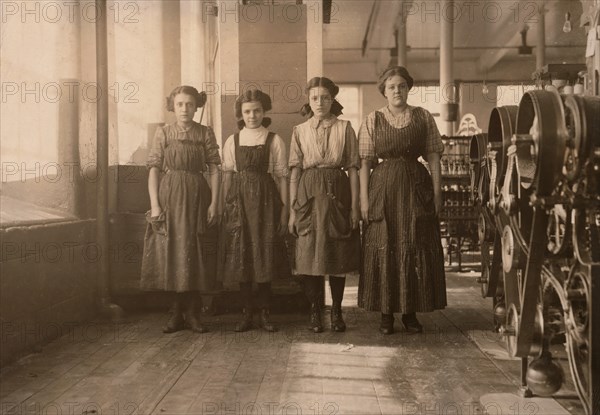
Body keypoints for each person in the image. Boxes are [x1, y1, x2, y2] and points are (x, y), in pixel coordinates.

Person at [358, 66, 447, 335]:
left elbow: (433, 156)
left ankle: (410, 313)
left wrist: (437, 191)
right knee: (385, 244)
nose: (397, 90)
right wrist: (363, 199)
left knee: (413, 242)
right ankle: (386, 314)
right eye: (391, 87)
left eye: (402, 86)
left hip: (415, 189)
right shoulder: (372, 119)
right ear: (384, 91)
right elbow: (364, 162)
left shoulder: (423, 117)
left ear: (409, 88)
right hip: (382, 189)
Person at [141, 85, 221, 333]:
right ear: (172, 106)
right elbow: (154, 169)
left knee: (195, 251)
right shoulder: (163, 133)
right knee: (172, 251)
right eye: (180, 104)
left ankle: (194, 313)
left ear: (197, 106)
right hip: (170, 196)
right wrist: (155, 205)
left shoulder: (205, 133)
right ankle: (175, 313)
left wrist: (214, 203)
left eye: (189, 104)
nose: (185, 109)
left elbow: (215, 169)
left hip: (198, 196)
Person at [288, 77, 360, 333]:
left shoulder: (345, 128)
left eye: (325, 97)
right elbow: (294, 172)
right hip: (308, 195)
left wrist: (355, 207)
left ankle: (337, 312)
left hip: (337, 193)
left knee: (337, 255)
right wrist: (293, 211)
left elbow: (353, 168)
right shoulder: (299, 130)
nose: (320, 102)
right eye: (315, 97)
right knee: (310, 256)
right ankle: (315, 312)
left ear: (333, 100)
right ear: (309, 100)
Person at [220, 89, 289, 332]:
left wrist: (285, 211)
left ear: (264, 111)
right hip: (239, 204)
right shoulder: (233, 140)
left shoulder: (274, 140)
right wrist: (226, 205)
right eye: (247, 111)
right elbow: (227, 176)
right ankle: (246, 313)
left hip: (266, 204)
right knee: (243, 258)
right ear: (241, 113)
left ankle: (265, 312)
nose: (252, 115)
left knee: (264, 256)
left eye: (257, 110)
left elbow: (282, 178)